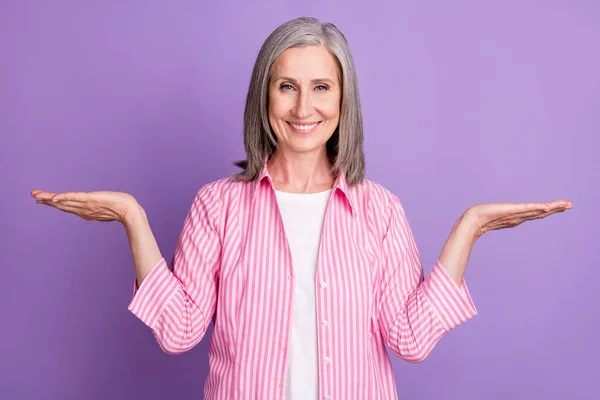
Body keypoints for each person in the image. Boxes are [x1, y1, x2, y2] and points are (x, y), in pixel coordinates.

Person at [30, 16, 571, 400]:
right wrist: (132, 217)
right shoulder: (218, 205)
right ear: (264, 96)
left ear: (343, 99)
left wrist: (468, 228)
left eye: (321, 87)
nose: (303, 107)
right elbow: (179, 332)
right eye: (286, 86)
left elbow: (410, 340)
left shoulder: (379, 210)